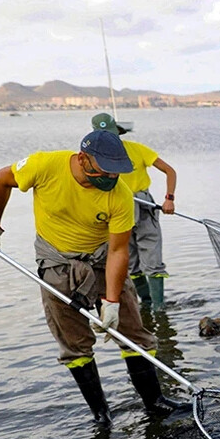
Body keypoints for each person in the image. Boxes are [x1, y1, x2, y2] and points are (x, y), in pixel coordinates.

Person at [0, 129, 183, 427]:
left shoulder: (120, 195)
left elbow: (118, 251)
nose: (110, 179)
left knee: (133, 331)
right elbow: (0, 180)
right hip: (56, 261)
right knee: (73, 341)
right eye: (105, 171)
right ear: (83, 159)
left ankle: (155, 403)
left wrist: (111, 301)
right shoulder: (44, 166)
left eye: (116, 173)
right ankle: (100, 414)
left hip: (100, 260)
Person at [91, 113, 177, 311]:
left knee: (152, 260)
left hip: (143, 206)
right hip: (116, 209)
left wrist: (169, 198)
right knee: (129, 260)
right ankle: (145, 304)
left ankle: (159, 308)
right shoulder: (93, 158)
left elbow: (170, 171)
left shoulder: (137, 150)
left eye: (112, 135)